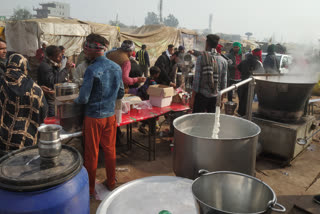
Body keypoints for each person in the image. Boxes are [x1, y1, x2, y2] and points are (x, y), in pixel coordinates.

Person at [74, 34, 124, 197]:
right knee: (110, 150)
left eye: (86, 48)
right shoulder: (116, 67)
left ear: (92, 50)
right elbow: (121, 92)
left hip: (94, 117)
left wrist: (74, 99)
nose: (85, 52)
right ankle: (111, 183)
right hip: (110, 116)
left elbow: (83, 98)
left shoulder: (92, 69)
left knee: (92, 153)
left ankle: (89, 189)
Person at [0, 53, 47, 157]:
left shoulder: (1, 85)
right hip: (26, 140)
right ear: (24, 67)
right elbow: (44, 114)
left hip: (2, 140)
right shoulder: (36, 89)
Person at [190, 34, 228, 113]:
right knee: (211, 122)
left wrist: (192, 98)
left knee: (197, 121)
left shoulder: (201, 58)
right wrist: (221, 99)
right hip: (216, 96)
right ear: (217, 45)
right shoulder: (223, 61)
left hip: (201, 96)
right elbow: (224, 82)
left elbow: (196, 80)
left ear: (207, 44)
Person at [37, 45, 71, 117]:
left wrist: (64, 81)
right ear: (51, 57)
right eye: (58, 57)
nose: (61, 58)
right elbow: (54, 81)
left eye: (61, 55)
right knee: (51, 116)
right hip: (48, 99)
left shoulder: (52, 64)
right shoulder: (45, 66)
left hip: (54, 97)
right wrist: (66, 69)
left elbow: (56, 77)